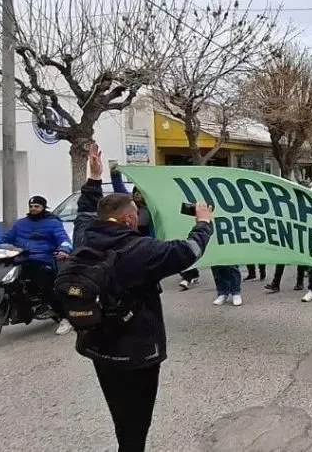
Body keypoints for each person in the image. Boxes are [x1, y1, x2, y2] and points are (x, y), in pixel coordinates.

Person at [73, 143, 214, 451]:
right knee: (136, 423)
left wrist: (94, 178)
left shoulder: (84, 236)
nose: (138, 219)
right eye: (135, 215)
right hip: (137, 354)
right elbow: (189, 251)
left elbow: (85, 210)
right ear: (128, 220)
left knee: (119, 415)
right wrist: (203, 222)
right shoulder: (141, 250)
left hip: (97, 346)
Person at [0, 195, 74, 335]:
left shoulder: (53, 223)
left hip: (42, 259)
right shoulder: (21, 223)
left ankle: (64, 318)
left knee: (46, 288)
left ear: (43, 207)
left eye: (37, 206)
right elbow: (6, 237)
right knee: (5, 276)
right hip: (20, 257)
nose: (33, 209)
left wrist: (64, 250)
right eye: (31, 206)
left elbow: (63, 239)